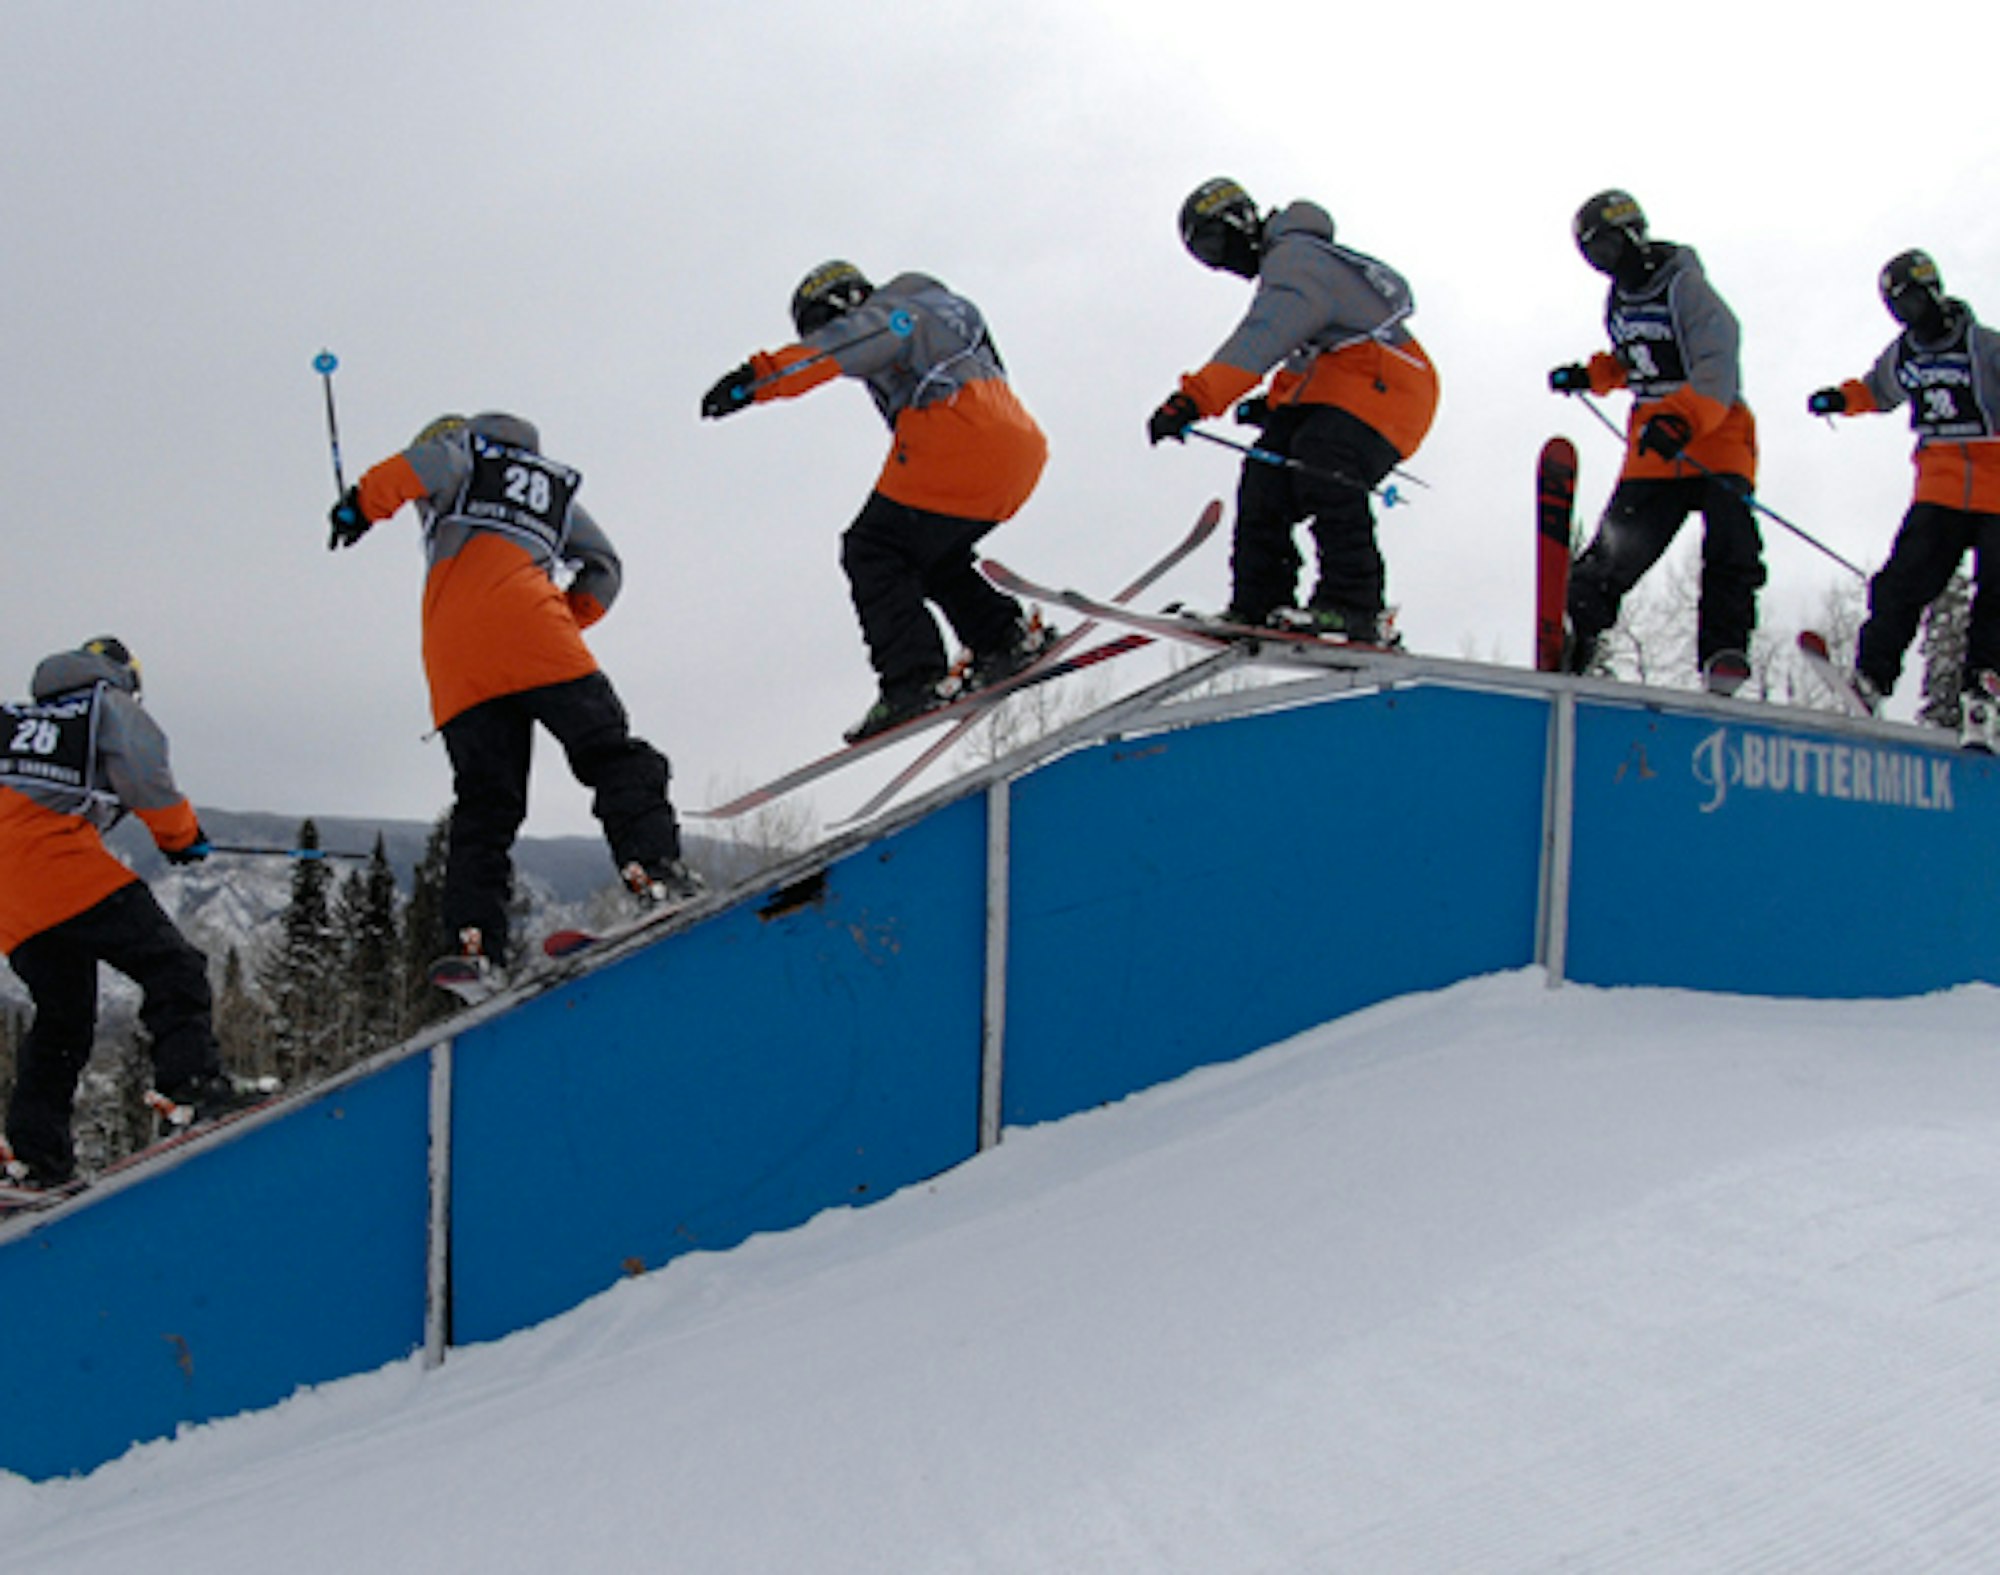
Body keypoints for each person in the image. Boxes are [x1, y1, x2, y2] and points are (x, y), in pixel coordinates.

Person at [327, 412, 699, 981]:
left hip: (454, 654)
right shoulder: (549, 487)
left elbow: (424, 465)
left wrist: (361, 504)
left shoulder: (458, 454)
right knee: (611, 754)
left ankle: (475, 948)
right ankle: (654, 872)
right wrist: (567, 620)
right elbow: (604, 567)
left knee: (485, 808)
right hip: (534, 631)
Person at [700, 262, 1052, 742]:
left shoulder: (892, 313)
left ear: (840, 305)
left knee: (872, 549)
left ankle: (914, 680)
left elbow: (846, 344)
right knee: (929, 558)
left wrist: (755, 380)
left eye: (825, 324)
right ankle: (1003, 638)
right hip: (1018, 450)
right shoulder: (943, 308)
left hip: (959, 437)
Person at [1147, 177, 1440, 642]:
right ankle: (1259, 602)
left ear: (1239, 222)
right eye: (1207, 258)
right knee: (1265, 471)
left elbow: (1265, 335)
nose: (1221, 264)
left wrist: (1194, 398)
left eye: (1215, 245)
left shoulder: (1296, 259)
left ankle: (1355, 604)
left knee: (1323, 456)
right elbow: (1307, 351)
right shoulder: (1291, 264)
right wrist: (1273, 405)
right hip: (1345, 387)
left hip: (1392, 386)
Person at [0, 638, 244, 1188]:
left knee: (63, 1018)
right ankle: (192, 1087)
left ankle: (36, 1160)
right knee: (172, 966)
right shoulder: (104, 701)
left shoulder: (16, 718)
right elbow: (145, 768)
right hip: (57, 866)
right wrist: (180, 836)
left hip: (10, 895)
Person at [1549, 190, 1764, 690]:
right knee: (1618, 543)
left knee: (1731, 543)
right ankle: (1576, 626)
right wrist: (1591, 375)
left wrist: (1682, 420)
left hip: (1715, 434)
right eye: (1592, 257)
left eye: (1606, 249)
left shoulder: (1686, 286)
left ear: (1631, 236)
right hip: (1656, 446)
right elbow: (1636, 358)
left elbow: (1718, 359)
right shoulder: (1620, 298)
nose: (1603, 265)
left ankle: (1724, 651)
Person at [1807, 250, 2000, 746]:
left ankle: (1984, 690)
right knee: (1902, 582)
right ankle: (1871, 678)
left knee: (1996, 593)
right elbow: (1878, 390)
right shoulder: (1904, 354)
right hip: (1939, 486)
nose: (1910, 316)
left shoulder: (1983, 346)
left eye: (1914, 301)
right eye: (1899, 308)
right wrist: (1842, 399)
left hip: (1997, 483)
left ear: (1934, 292)